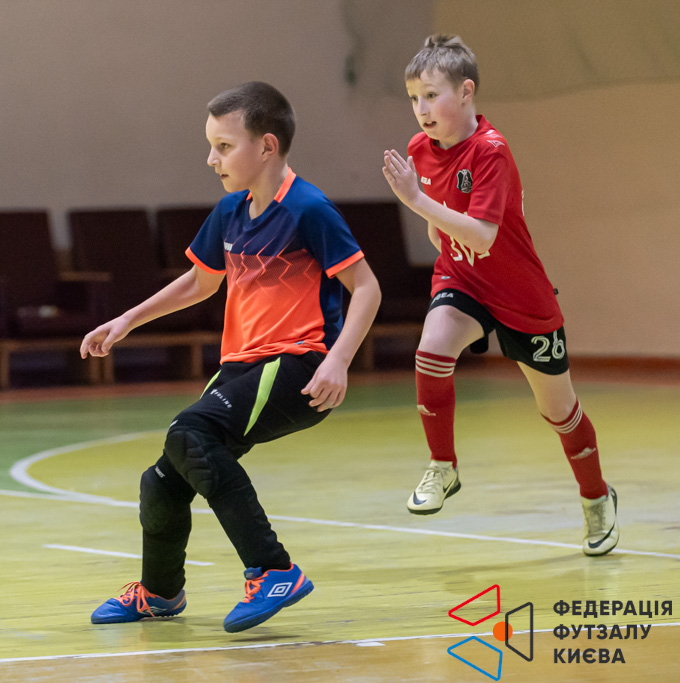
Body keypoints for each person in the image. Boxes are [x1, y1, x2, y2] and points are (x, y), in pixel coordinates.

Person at [81, 82, 381, 632]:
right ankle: (160, 592)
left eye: (223, 146)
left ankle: (274, 570)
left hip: (299, 365)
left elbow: (366, 288)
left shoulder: (308, 209)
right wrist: (126, 320)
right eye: (211, 145)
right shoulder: (229, 212)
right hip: (242, 368)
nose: (211, 158)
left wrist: (339, 360)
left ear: (266, 146)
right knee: (163, 479)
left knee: (190, 432)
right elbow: (200, 282)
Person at [382, 35, 618, 555]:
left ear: (466, 92)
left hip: (520, 296)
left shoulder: (492, 151)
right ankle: (443, 466)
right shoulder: (420, 149)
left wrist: (416, 201)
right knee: (430, 351)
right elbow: (441, 230)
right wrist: (431, 221)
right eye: (414, 98)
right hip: (462, 280)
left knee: (560, 413)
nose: (421, 109)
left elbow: (484, 236)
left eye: (431, 95)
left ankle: (597, 497)